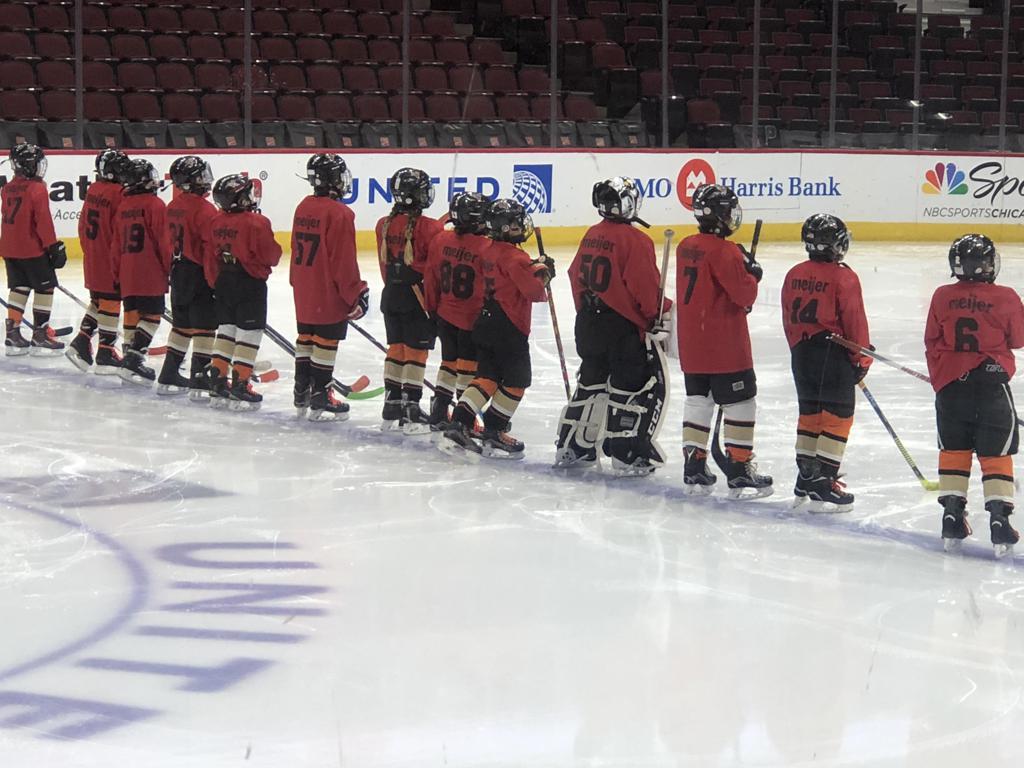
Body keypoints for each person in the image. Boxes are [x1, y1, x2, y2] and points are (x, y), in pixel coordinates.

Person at [554, 177, 671, 477]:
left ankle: (574, 446)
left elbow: (574, 274)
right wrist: (653, 316)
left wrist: (586, 313)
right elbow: (644, 287)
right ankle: (625, 453)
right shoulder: (636, 240)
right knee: (628, 388)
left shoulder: (592, 234)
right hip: (620, 328)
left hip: (589, 324)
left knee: (591, 382)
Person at [925, 234, 1024, 556]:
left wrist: (945, 375)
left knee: (954, 451)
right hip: (991, 388)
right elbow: (1019, 339)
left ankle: (951, 516)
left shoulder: (941, 295)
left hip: (952, 389)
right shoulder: (1006, 296)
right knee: (995, 454)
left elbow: (932, 340)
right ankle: (999, 520)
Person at [676, 183, 772, 498]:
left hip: (692, 343)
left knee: (698, 401)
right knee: (741, 402)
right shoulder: (726, 251)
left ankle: (694, 464)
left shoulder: (685, 245)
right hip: (724, 345)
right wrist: (752, 275)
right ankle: (740, 468)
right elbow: (743, 295)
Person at [441, 199, 554, 459]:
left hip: (486, 320)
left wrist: (536, 267)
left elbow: (514, 274)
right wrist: (545, 273)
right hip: (508, 326)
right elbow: (534, 290)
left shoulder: (490, 250)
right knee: (517, 381)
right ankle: (494, 429)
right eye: (514, 224)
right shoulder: (516, 256)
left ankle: (459, 423)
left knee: (488, 377)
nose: (520, 227)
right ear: (504, 228)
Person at [781, 214, 871, 509]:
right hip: (832, 355)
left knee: (810, 414)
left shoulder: (794, 272)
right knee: (838, 415)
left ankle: (806, 476)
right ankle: (824, 481)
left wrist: (799, 349)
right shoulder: (844, 276)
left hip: (801, 353)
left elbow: (787, 319)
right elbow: (855, 322)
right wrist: (860, 359)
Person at [290, 153, 368, 421]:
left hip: (304, 285)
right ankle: (321, 396)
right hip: (326, 288)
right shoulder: (340, 213)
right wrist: (356, 292)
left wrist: (295, 282)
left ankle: (301, 391)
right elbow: (342, 261)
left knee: (306, 338)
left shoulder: (303, 206)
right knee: (325, 340)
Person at [203, 174, 282, 411]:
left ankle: (217, 380)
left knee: (226, 331)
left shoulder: (216, 221)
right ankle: (240, 383)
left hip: (225, 281)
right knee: (249, 334)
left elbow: (211, 257)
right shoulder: (256, 222)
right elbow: (272, 256)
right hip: (249, 284)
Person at [375, 167, 443, 434]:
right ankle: (411, 411)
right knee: (415, 352)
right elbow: (433, 270)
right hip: (417, 297)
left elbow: (384, 267)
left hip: (391, 294)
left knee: (396, 348)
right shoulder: (431, 227)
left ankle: (391, 406)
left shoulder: (384, 224)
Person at [422, 191, 491, 431]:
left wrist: (432, 309)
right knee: (468, 368)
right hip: (471, 317)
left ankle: (439, 411)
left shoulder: (441, 240)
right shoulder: (487, 246)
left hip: (445, 314)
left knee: (448, 362)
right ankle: (466, 419)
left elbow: (430, 278)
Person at [159, 155, 219, 398]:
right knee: (205, 327)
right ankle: (200, 377)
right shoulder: (205, 209)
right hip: (199, 273)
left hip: (179, 272)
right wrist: (215, 280)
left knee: (182, 325)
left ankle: (169, 372)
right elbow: (210, 249)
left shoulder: (172, 206)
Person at [68, 148, 131, 374]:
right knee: (111, 302)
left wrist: (88, 251)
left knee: (99, 301)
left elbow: (82, 224)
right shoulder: (119, 194)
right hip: (109, 257)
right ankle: (106, 350)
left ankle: (82, 341)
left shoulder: (94, 188)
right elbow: (121, 231)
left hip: (94, 254)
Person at [109, 158, 171, 385]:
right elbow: (163, 242)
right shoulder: (155, 205)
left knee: (134, 313)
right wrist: (168, 267)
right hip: (149, 270)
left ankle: (130, 355)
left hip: (127, 270)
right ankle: (133, 358)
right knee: (153, 315)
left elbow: (115, 245)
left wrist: (116, 274)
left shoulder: (123, 206)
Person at [0, 144, 66, 356]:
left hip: (10, 248)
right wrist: (53, 247)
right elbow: (43, 222)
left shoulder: (7, 188)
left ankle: (13, 333)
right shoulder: (37, 188)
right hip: (31, 249)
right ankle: (40, 334)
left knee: (19, 287)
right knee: (45, 288)